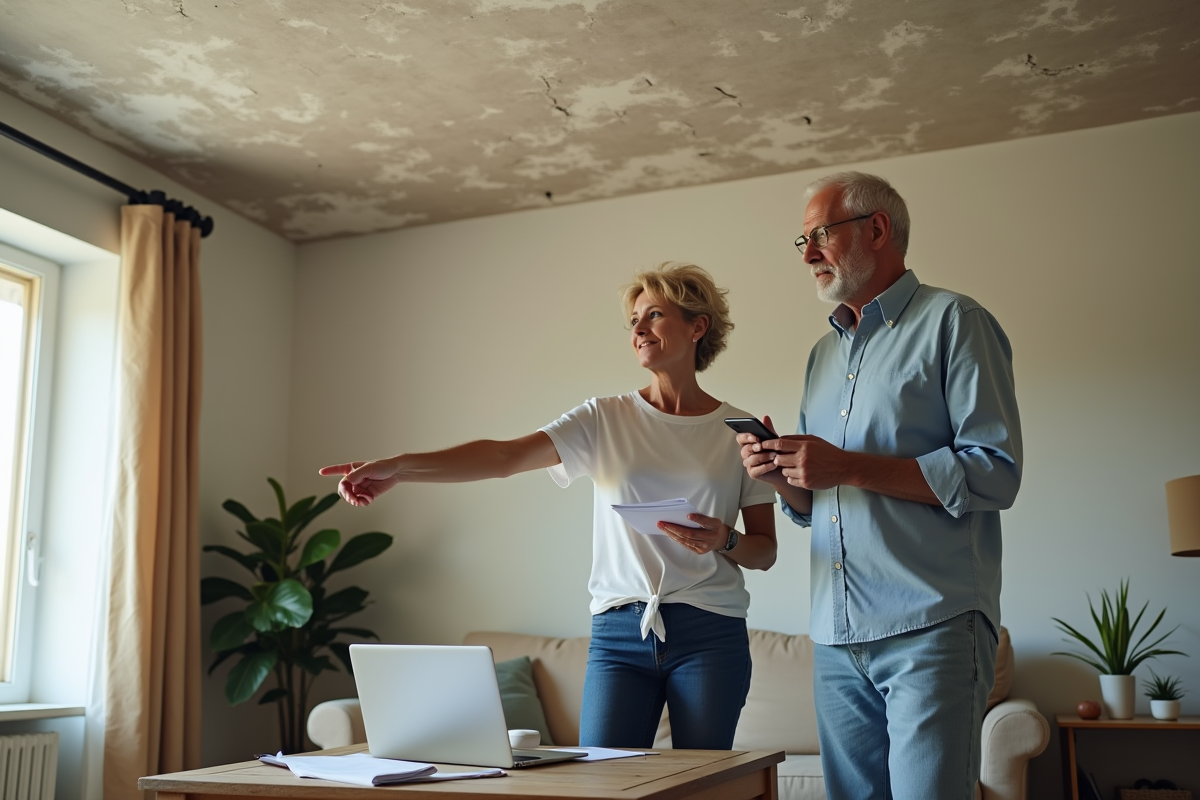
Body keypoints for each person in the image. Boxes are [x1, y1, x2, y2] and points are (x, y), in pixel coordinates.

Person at [320, 262, 777, 750]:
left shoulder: (741, 428)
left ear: (697, 326)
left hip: (711, 630)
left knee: (700, 783)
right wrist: (401, 468)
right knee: (601, 782)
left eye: (655, 315)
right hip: (619, 631)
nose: (639, 330)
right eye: (633, 322)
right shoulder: (604, 417)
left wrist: (724, 540)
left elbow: (764, 551)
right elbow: (504, 456)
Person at [737, 172, 1022, 799]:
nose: (808, 254)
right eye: (802, 241)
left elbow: (995, 472)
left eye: (819, 236)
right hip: (835, 635)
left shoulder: (956, 321)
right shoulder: (822, 355)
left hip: (931, 626)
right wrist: (780, 474)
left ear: (878, 229)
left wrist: (848, 465)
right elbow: (818, 505)